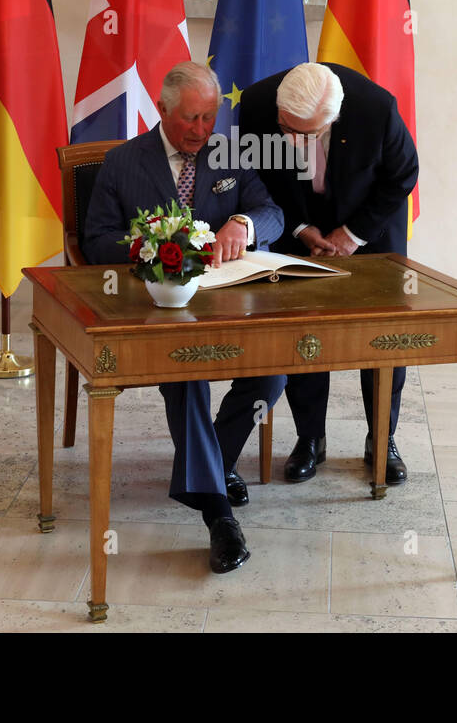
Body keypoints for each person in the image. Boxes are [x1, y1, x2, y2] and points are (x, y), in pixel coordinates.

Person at [83, 62, 284, 574]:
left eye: (209, 117)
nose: (201, 130)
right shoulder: (124, 162)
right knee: (188, 375)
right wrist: (156, 246)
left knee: (274, 370)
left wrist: (241, 221)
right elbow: (95, 240)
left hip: (230, 301)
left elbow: (272, 214)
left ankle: (210, 464)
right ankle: (219, 516)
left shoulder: (231, 154)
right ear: (163, 109)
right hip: (161, 307)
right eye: (191, 119)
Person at [238, 62, 419, 485]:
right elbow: (261, 176)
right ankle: (310, 439)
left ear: (335, 118)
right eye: (289, 129)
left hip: (368, 229)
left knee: (382, 338)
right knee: (305, 333)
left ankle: (382, 438)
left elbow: (402, 175)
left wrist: (352, 234)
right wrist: (302, 229)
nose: (297, 139)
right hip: (297, 224)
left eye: (309, 132)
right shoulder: (258, 104)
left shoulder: (376, 108)